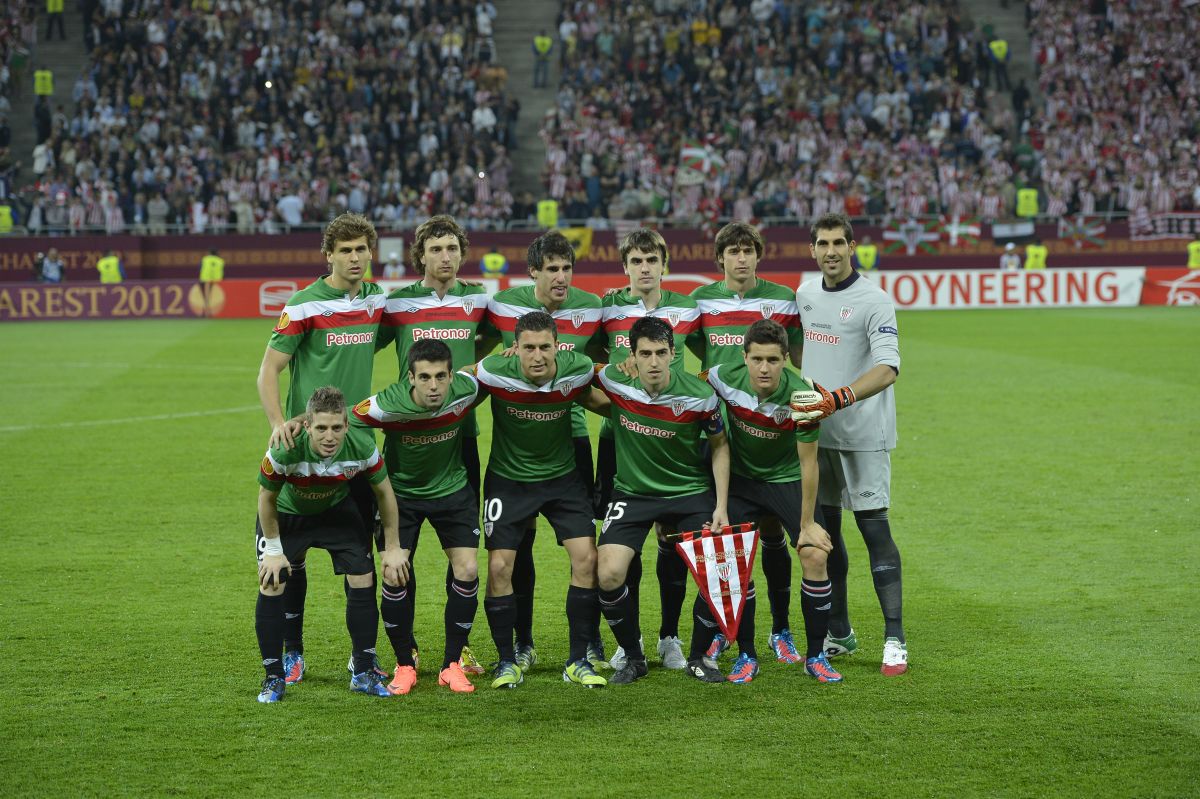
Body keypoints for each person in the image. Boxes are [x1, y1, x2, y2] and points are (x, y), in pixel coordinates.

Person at [255, 212, 388, 686]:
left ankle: (362, 657)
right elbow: (268, 372)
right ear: (328, 255)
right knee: (290, 562)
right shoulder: (304, 305)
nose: (355, 258)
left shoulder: (378, 301)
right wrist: (278, 425)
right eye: (345, 250)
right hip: (307, 447)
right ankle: (293, 653)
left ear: (371, 253)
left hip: (353, 454)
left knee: (361, 563)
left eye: (361, 249)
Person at [480, 230, 603, 672]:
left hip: (570, 440)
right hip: (516, 440)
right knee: (516, 550)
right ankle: (521, 643)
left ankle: (586, 647)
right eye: (552, 268)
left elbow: (604, 361)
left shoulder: (592, 307)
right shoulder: (501, 307)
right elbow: (479, 355)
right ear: (533, 271)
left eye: (567, 267)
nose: (561, 276)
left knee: (587, 550)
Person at [792, 212, 907, 677]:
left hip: (863, 435)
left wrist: (837, 396)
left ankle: (895, 637)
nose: (832, 251)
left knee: (874, 529)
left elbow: (889, 368)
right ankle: (839, 631)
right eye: (823, 243)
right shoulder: (805, 294)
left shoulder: (874, 299)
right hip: (817, 436)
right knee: (826, 533)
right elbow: (801, 350)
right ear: (813, 250)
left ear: (852, 246)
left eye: (839, 242)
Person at [687, 222, 804, 668]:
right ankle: (724, 630)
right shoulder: (701, 301)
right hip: (722, 436)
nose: (740, 258)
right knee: (729, 541)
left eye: (747, 250)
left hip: (771, 434)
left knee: (773, 535)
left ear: (759, 255)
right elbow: (693, 349)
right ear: (720, 258)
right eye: (732, 251)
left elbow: (794, 356)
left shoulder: (784, 299)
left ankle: (780, 629)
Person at [377, 214, 491, 675]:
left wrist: (467, 376)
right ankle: (405, 651)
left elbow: (504, 344)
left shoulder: (478, 301)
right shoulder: (398, 304)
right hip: (407, 441)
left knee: (461, 552)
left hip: (461, 439)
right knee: (398, 553)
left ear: (462, 254)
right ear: (420, 255)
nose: (445, 257)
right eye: (436, 249)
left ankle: (456, 649)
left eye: (452, 249)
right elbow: (363, 342)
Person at [592, 316, 730, 685]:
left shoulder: (699, 396)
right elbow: (572, 369)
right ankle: (633, 658)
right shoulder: (615, 380)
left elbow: (719, 446)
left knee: (717, 571)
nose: (653, 362)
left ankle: (700, 656)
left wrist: (720, 505)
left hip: (689, 493)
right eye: (645, 354)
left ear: (673, 354)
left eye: (661, 353)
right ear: (632, 357)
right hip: (633, 494)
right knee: (608, 572)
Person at [588, 227, 700, 672]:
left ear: (664, 264)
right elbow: (595, 359)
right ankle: (628, 638)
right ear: (626, 267)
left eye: (652, 259)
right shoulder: (607, 306)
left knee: (671, 541)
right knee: (624, 543)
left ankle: (669, 634)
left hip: (674, 441)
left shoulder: (689, 308)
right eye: (636, 261)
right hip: (619, 441)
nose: (644, 268)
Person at [705, 320, 842, 684]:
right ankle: (746, 653)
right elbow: (687, 388)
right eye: (756, 359)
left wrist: (808, 522)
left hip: (786, 480)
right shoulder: (721, 377)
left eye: (773, 360)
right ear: (744, 357)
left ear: (786, 359)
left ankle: (814, 656)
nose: (764, 369)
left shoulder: (804, 397)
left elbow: (808, 461)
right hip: (741, 482)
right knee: (734, 561)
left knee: (814, 553)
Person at [254, 386, 406, 702]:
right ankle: (273, 678)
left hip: (336, 512)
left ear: (347, 426)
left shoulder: (362, 446)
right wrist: (272, 548)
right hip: (288, 513)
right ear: (307, 425)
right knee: (272, 580)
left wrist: (392, 547)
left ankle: (363, 671)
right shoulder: (285, 450)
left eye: (337, 427)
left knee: (363, 576)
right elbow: (266, 499)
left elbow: (385, 495)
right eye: (321, 428)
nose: (329, 436)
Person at [352, 340, 484, 695]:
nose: (433, 385)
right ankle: (405, 665)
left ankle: (452, 665)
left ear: (451, 375)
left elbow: (489, 373)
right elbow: (344, 418)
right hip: (400, 498)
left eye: (441, 376)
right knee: (395, 574)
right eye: (424, 377)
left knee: (468, 569)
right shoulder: (386, 405)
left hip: (453, 492)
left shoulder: (465, 389)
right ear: (410, 377)